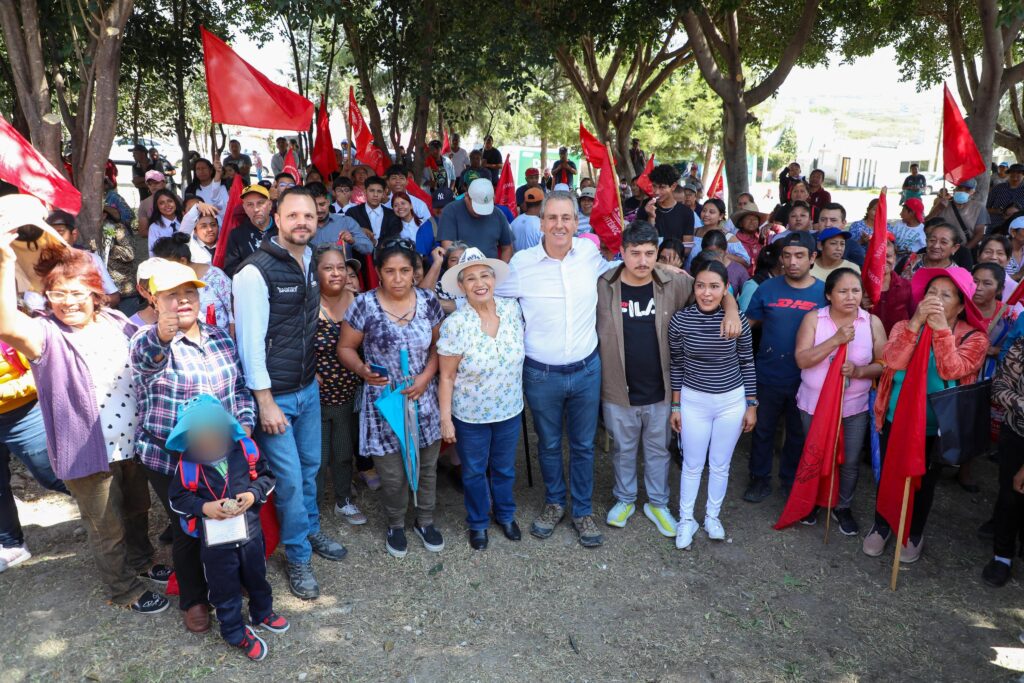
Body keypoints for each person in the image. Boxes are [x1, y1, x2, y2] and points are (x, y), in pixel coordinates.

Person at [0, 200, 170, 613]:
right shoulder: (46, 335)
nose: (68, 302)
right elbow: (6, 323)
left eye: (78, 293)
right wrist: (5, 260)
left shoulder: (118, 323)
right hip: (88, 451)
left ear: (96, 295)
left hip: (132, 444)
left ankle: (143, 559)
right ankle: (123, 588)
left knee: (136, 510)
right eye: (58, 294)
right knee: (106, 527)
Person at [233, 187, 347, 600]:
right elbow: (250, 343)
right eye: (293, 215)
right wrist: (264, 401)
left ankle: (310, 530)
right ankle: (297, 556)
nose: (302, 222)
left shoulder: (311, 262)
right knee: (291, 481)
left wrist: (311, 378)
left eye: (310, 216)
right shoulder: (254, 272)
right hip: (274, 397)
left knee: (311, 468)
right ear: (275, 219)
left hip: (306, 389)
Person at [129, 258, 254, 631]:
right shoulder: (147, 340)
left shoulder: (219, 337)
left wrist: (243, 429)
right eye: (172, 295)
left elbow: (238, 391)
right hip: (169, 459)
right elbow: (147, 361)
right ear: (154, 300)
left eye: (189, 293)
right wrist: (162, 336)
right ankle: (194, 599)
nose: (183, 301)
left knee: (228, 516)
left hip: (220, 454)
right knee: (189, 526)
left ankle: (233, 580)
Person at [862, 268, 988, 562]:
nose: (936, 299)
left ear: (961, 304)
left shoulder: (974, 338)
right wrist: (916, 323)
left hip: (937, 426)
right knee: (889, 472)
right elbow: (891, 360)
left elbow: (952, 369)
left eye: (946, 295)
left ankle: (913, 531)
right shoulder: (904, 326)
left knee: (924, 480)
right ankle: (882, 525)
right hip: (895, 415)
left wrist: (942, 330)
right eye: (932, 293)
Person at [338, 239, 446, 558]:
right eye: (390, 271)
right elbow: (345, 347)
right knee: (392, 472)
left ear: (415, 272)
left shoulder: (428, 301)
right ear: (379, 273)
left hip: (422, 398)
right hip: (383, 402)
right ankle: (396, 523)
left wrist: (426, 378)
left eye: (405, 270)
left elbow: (440, 346)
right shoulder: (364, 304)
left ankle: (425, 521)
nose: (398, 278)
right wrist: (362, 369)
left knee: (427, 465)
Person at [598, 223, 699, 539]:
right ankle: (625, 498)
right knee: (623, 449)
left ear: (658, 253)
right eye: (635, 253)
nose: (643, 261)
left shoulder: (675, 283)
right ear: (622, 252)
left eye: (649, 253)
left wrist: (733, 308)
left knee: (659, 449)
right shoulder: (603, 285)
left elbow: (715, 290)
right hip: (618, 387)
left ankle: (657, 503)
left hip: (661, 389)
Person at [166, 395, 286, 661]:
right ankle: (233, 631)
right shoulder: (187, 466)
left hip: (251, 533)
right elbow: (178, 499)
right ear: (187, 438)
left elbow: (267, 478)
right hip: (216, 542)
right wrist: (204, 508)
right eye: (199, 436)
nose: (207, 440)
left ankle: (262, 611)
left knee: (257, 575)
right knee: (224, 587)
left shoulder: (247, 451)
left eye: (213, 431)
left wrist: (254, 495)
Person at [436, 248, 524, 550]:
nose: (479, 283)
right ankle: (478, 522)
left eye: (484, 275)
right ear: (461, 287)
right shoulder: (456, 324)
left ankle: (505, 514)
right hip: (471, 415)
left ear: (494, 279)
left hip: (510, 410)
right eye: (470, 278)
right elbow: (446, 377)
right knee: (474, 471)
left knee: (504, 468)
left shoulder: (512, 310)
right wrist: (445, 419)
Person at [669, 259, 757, 549]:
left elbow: (747, 362)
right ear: (694, 287)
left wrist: (751, 404)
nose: (707, 293)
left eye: (714, 287)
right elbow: (677, 365)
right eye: (701, 286)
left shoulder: (737, 320)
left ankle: (712, 517)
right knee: (692, 465)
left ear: (725, 289)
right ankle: (685, 520)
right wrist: (676, 406)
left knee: (720, 465)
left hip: (731, 402)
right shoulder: (681, 321)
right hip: (694, 400)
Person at [794, 269, 886, 534]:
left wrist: (859, 372)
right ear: (828, 295)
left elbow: (884, 364)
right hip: (814, 403)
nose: (850, 297)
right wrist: (835, 341)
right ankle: (811, 501)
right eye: (843, 291)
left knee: (851, 459)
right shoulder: (814, 319)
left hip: (853, 406)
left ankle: (842, 506)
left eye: (855, 291)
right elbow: (802, 359)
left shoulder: (871, 322)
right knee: (815, 452)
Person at [743, 231, 827, 502]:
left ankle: (790, 480)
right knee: (763, 429)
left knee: (797, 432)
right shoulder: (767, 288)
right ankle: (759, 478)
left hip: (807, 377)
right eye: (787, 256)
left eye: (800, 256)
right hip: (767, 374)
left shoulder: (824, 292)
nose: (793, 262)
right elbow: (748, 325)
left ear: (813, 258)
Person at [0, 338, 69, 573]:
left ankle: (112, 512)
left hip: (23, 412)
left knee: (51, 473)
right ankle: (10, 543)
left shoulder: (9, 321)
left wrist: (6, 392)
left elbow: (44, 365)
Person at [313, 246, 368, 525]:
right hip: (315, 396)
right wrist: (307, 370)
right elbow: (288, 344)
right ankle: (313, 507)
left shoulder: (360, 301)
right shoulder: (307, 304)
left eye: (340, 268)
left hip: (350, 391)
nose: (337, 273)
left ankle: (343, 500)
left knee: (344, 451)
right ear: (316, 271)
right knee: (318, 458)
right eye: (328, 268)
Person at [983, 333, 1024, 586]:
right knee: (1010, 496)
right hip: (1017, 435)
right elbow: (999, 388)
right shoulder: (1022, 345)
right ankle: (1003, 556)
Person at [151, 233, 234, 334]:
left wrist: (231, 341)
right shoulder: (168, 283)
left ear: (182, 261)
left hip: (220, 344)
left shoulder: (215, 276)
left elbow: (233, 312)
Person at [46, 210, 122, 308]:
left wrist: (91, 304)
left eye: (60, 232)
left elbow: (114, 297)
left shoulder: (90, 260)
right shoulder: (40, 263)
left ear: (74, 235)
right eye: (50, 233)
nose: (55, 238)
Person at [438, 178, 513, 261]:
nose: (481, 212)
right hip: (461, 269)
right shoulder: (450, 211)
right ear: (466, 197)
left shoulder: (498, 214)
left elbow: (507, 248)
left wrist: (501, 270)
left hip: (489, 270)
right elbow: (448, 249)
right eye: (477, 207)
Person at [307, 182, 374, 258]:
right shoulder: (303, 226)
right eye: (313, 206)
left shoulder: (346, 222)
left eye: (322, 204)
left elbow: (369, 248)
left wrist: (352, 240)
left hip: (341, 269)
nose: (319, 210)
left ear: (328, 202)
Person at [224, 185, 276, 278]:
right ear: (244, 208)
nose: (256, 209)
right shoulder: (237, 235)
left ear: (269, 205)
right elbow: (231, 269)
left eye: (260, 203)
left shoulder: (283, 229)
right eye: (250, 204)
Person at [927, 179, 989, 249]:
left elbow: (980, 234)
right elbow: (926, 224)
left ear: (973, 192)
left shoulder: (979, 208)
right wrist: (938, 208)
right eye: (960, 187)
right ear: (955, 189)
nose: (962, 191)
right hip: (940, 248)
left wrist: (964, 251)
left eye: (967, 189)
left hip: (964, 249)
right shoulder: (942, 204)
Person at [873, 236, 916, 334]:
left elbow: (913, 316)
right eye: (879, 256)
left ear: (895, 258)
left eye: (888, 256)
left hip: (899, 343)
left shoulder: (906, 286)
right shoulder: (860, 287)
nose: (883, 261)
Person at [897, 222, 968, 280]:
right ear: (926, 241)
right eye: (932, 240)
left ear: (955, 248)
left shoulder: (957, 276)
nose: (935, 246)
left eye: (943, 242)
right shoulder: (909, 261)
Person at [644, 164, 694, 246]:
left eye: (662, 187)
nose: (656, 192)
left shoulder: (686, 213)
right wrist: (651, 218)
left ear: (673, 186)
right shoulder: (646, 207)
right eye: (654, 186)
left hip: (675, 258)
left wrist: (669, 256)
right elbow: (644, 241)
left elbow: (687, 247)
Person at [345, 176, 401, 245]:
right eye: (372, 191)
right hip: (358, 254)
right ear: (365, 192)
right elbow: (348, 234)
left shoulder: (392, 215)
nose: (375, 195)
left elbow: (393, 239)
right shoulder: (352, 212)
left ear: (383, 194)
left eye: (379, 191)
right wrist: (360, 230)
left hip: (385, 254)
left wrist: (376, 242)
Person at [978, 234, 1023, 313]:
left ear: (1008, 260)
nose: (993, 257)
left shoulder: (1015, 290)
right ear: (978, 256)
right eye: (988, 252)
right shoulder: (964, 278)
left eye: (1000, 253)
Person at [391, 192, 436, 257]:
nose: (400, 207)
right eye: (396, 205)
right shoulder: (394, 230)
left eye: (403, 203)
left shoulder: (424, 224)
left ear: (411, 205)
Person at [147, 189, 186, 256]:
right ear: (157, 206)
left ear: (175, 202)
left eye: (170, 201)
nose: (167, 205)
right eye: (162, 203)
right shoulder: (154, 227)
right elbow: (152, 253)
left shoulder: (184, 221)